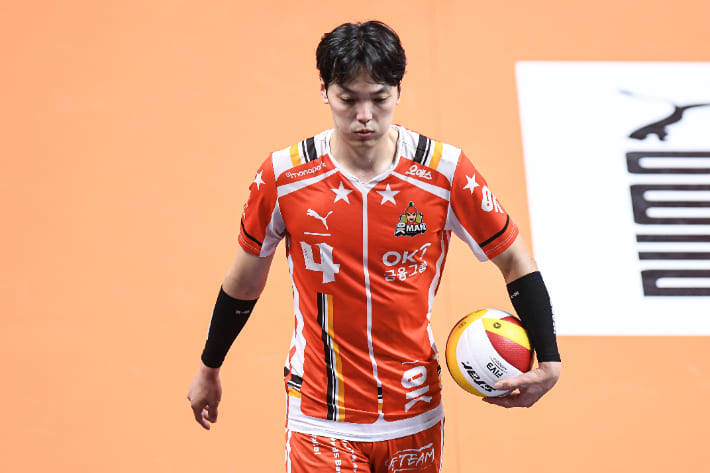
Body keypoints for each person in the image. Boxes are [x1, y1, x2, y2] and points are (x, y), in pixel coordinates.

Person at [188, 20, 561, 472]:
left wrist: (550, 360)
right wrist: (209, 366)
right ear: (324, 91)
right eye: (348, 99)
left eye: (379, 98)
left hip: (415, 415)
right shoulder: (284, 177)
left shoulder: (444, 172)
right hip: (320, 417)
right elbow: (245, 282)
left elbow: (515, 260)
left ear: (398, 91)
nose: (364, 115)